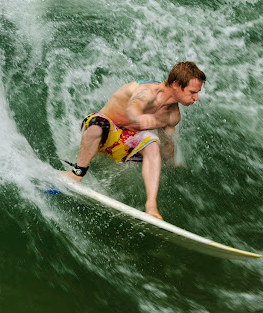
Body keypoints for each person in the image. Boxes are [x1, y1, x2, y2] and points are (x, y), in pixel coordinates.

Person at [63, 62, 206, 220]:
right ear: (176, 84)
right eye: (192, 92)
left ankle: (151, 206)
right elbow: (134, 107)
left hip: (125, 144)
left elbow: (166, 142)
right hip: (105, 133)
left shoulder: (173, 116)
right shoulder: (147, 92)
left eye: (197, 93)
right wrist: (139, 118)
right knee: (97, 124)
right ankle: (76, 174)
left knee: (152, 143)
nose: (196, 98)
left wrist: (171, 163)